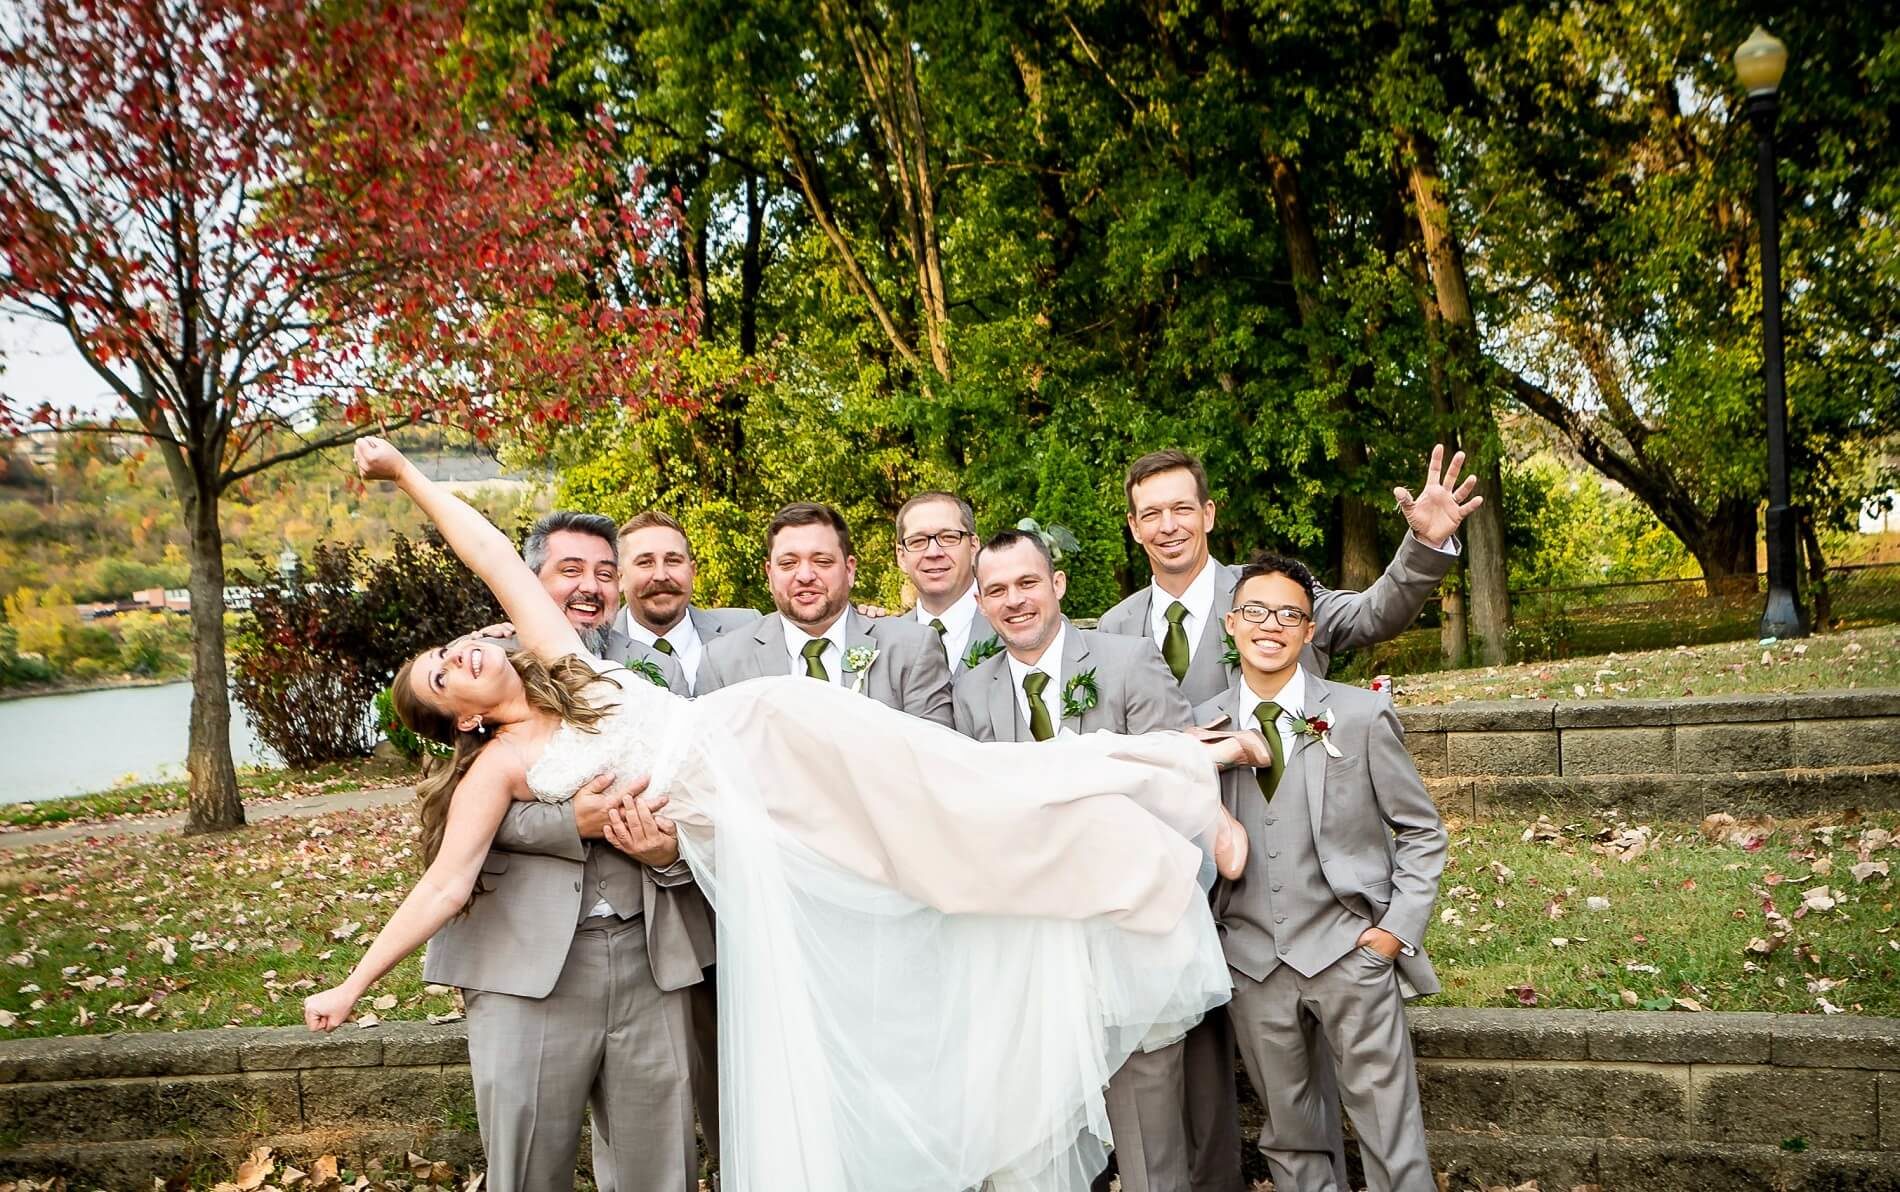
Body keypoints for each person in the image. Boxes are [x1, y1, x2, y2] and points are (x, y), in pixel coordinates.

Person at [307, 437, 1261, 1192]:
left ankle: (1180, 781)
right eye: (441, 676)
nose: (460, 655)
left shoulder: (563, 662)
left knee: (958, 805)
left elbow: (485, 549)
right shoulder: (500, 768)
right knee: (926, 872)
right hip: (738, 825)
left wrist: (405, 474)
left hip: (762, 743)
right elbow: (446, 883)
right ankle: (1157, 810)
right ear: (460, 719)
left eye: (450, 648)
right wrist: (352, 985)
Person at [1098, 445, 1474, 1192]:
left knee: (1382, 1127)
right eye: (1151, 513)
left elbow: (1374, 612)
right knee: (1280, 1124)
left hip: (1335, 928)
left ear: (1208, 514)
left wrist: (1426, 545)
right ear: (1135, 528)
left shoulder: (1274, 594)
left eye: (1182, 507)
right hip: (1224, 928)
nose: (1168, 525)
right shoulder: (1115, 629)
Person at [429, 507, 712, 1192]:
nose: (591, 587)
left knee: (663, 1168)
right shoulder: (472, 670)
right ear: (530, 580)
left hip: (653, 959)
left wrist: (665, 852)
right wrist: (567, 821)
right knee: (528, 1168)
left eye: (605, 574)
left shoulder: (657, 676)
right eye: (570, 570)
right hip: (528, 968)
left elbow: (705, 807)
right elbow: (449, 825)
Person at [953, 528, 1200, 1192]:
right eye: (997, 590)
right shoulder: (969, 691)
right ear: (980, 602)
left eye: (1027, 583)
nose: (1014, 600)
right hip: (1025, 951)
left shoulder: (1127, 661)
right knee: (1038, 1144)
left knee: (1149, 1142)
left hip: (1127, 934)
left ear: (1056, 585)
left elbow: (1177, 786)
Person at [1193, 554, 1444, 1192]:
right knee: (1290, 1135)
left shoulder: (1359, 716)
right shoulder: (1202, 728)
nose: (1270, 625)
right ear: (1231, 624)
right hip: (1252, 963)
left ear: (1309, 632)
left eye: (1289, 614)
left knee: (1390, 1127)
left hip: (1349, 952)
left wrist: (1394, 932)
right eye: (1254, 611)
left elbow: (1420, 830)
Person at [696, 501, 956, 726]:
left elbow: (936, 759)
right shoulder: (722, 662)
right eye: (788, 564)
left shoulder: (911, 649)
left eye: (822, 561)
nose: (805, 576)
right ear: (769, 574)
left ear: (849, 569)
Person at [613, 510, 761, 697]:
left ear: (692, 572)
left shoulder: (747, 629)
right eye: (645, 562)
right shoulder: (597, 650)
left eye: (673, 561)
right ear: (619, 578)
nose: (660, 575)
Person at [893, 490, 998, 669]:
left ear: (973, 547)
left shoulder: (1014, 624)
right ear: (901, 557)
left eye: (949, 538)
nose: (933, 553)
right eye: (918, 541)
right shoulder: (883, 639)